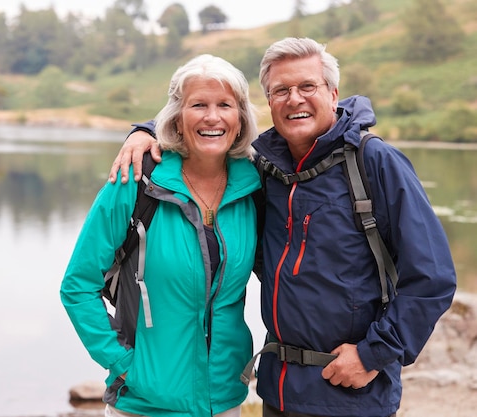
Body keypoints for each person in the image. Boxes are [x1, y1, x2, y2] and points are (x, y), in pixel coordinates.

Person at [107, 37, 457, 417]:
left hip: (352, 393)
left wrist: (375, 354)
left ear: (333, 92)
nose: (295, 99)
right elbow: (203, 134)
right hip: (278, 393)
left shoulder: (374, 163)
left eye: (307, 86)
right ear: (268, 101)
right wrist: (145, 132)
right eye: (281, 90)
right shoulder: (263, 169)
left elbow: (432, 277)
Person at [61, 54, 262, 417]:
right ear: (177, 117)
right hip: (144, 403)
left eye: (224, 105)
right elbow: (77, 285)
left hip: (225, 400)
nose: (212, 117)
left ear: (241, 117)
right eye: (198, 104)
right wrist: (124, 364)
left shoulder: (254, 187)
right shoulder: (136, 180)